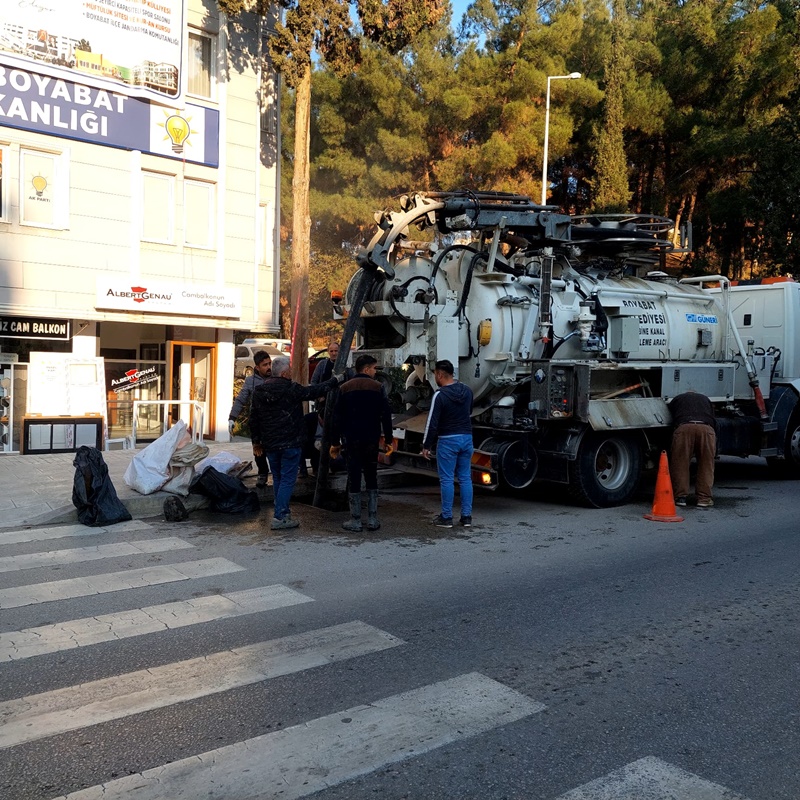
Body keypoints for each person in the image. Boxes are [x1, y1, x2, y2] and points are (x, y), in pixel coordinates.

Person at [250, 356, 341, 530]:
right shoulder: (291, 388)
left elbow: (253, 420)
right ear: (284, 373)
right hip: (290, 442)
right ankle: (281, 516)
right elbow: (314, 391)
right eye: (290, 370)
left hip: (271, 444)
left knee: (277, 477)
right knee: (287, 480)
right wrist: (335, 380)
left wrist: (257, 442)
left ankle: (281, 511)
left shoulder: (259, 391)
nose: (291, 372)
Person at [335, 354, 393, 532]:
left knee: (354, 476)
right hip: (371, 439)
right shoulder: (378, 387)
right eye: (374, 368)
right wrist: (389, 439)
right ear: (366, 369)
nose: (375, 372)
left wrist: (334, 442)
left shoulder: (344, 388)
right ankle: (373, 519)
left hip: (351, 439)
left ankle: (356, 519)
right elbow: (385, 415)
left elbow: (337, 417)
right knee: (371, 475)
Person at [421, 359, 474, 528]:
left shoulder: (440, 394)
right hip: (466, 438)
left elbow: (432, 422)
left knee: (447, 479)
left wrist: (426, 445)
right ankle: (466, 517)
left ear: (439, 374)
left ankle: (447, 517)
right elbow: (469, 411)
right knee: (465, 478)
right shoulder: (467, 391)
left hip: (448, 440)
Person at [228, 349, 272, 488]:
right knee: (258, 450)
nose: (269, 367)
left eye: (269, 363)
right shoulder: (251, 381)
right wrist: (232, 417)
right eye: (265, 365)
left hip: (273, 421)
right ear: (257, 367)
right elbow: (241, 400)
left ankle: (278, 474)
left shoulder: (276, 377)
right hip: (257, 422)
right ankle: (262, 474)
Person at [668, 390, 717, 508]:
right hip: (706, 428)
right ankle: (704, 499)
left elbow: (671, 414)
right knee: (706, 464)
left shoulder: (678, 398)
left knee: (680, 463)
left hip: (684, 428)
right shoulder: (705, 398)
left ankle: (680, 497)